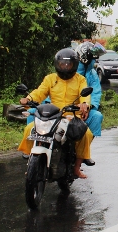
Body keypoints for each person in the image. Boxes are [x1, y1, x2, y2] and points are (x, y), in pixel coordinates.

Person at [18, 48, 93, 178]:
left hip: (72, 115)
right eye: (62, 64)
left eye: (68, 64)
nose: (64, 67)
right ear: (57, 64)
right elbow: (39, 92)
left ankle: (77, 167)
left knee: (86, 134)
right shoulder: (50, 78)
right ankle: (32, 164)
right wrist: (28, 99)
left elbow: (85, 95)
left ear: (74, 65)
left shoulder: (80, 79)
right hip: (52, 115)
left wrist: (84, 104)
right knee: (30, 129)